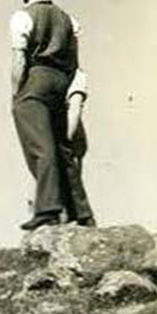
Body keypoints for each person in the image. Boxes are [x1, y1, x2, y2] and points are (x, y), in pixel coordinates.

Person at [10, 0, 94, 230]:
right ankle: (80, 212)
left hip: (35, 81)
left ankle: (47, 209)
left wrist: (17, 92)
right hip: (61, 83)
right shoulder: (68, 19)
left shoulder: (23, 17)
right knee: (62, 149)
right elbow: (74, 60)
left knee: (41, 147)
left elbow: (19, 60)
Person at [64, 68, 95, 225]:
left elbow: (75, 110)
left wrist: (64, 140)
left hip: (70, 134)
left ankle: (81, 218)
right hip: (55, 134)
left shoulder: (76, 74)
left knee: (71, 180)